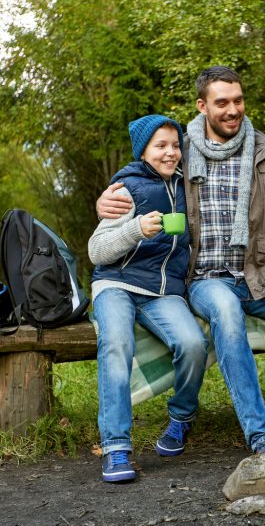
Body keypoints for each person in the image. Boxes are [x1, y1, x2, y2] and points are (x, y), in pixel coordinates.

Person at [98, 66, 265, 466]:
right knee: (225, 310)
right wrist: (106, 200)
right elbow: (141, 173)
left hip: (262, 275)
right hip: (205, 279)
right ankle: (262, 436)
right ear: (202, 105)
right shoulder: (181, 150)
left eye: (238, 100)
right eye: (221, 102)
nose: (232, 110)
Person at [88, 115, 208, 483]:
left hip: (163, 292)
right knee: (116, 345)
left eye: (175, 145)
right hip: (116, 285)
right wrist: (134, 230)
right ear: (143, 151)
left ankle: (181, 418)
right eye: (161, 146)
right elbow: (96, 250)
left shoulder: (191, 186)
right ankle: (116, 446)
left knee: (193, 344)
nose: (170, 153)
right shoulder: (127, 189)